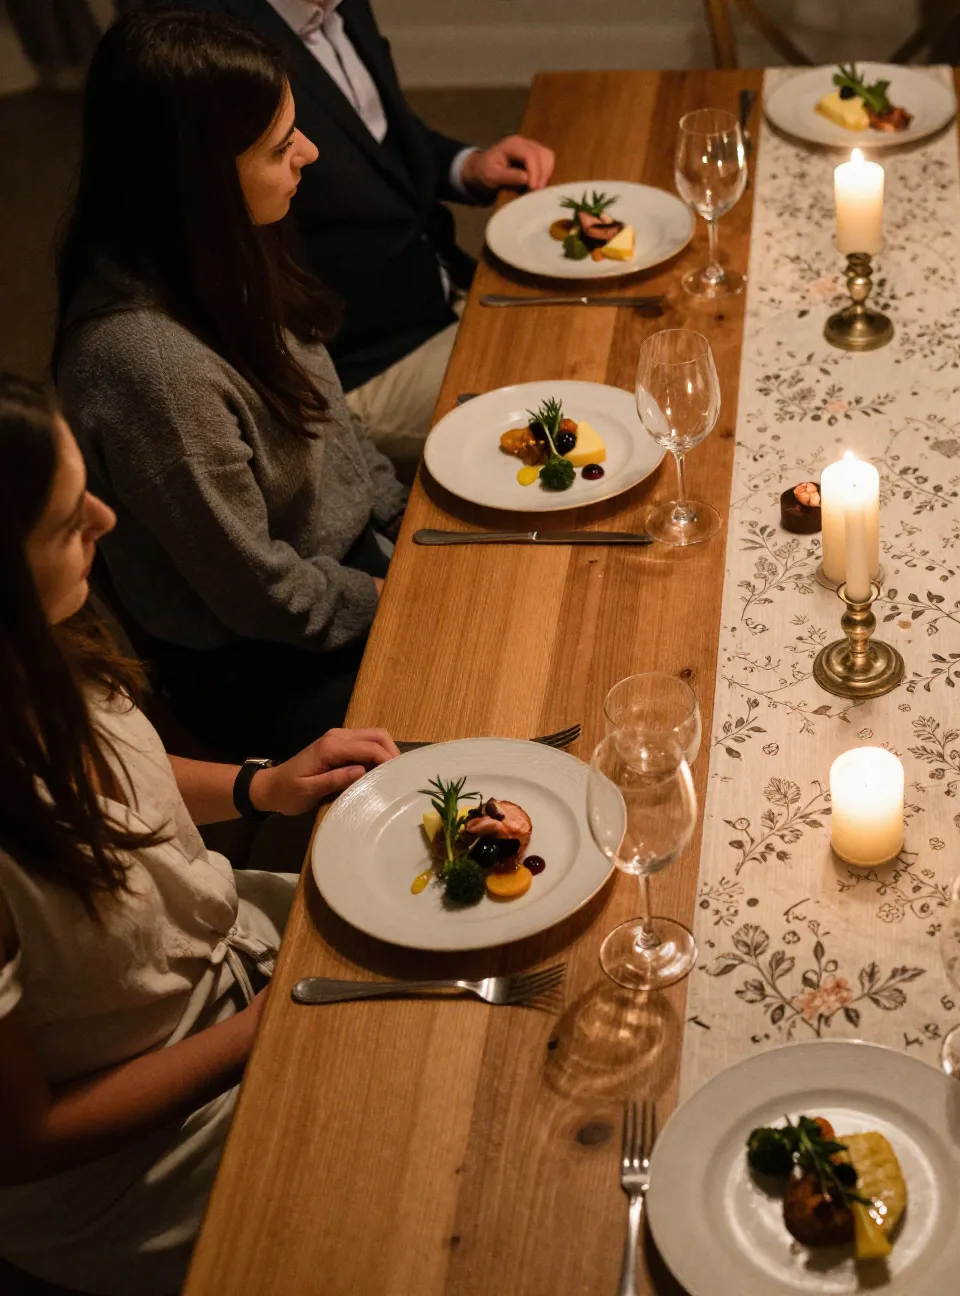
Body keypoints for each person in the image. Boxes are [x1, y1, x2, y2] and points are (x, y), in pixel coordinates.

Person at [0, 373, 400, 1295]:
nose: (105, 518)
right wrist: (265, 1030)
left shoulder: (37, 648)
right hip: (150, 1157)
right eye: (67, 521)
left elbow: (114, 784)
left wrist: (263, 786)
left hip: (243, 959)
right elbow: (22, 1141)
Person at [56, 6, 409, 760]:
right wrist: (389, 599)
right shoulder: (147, 366)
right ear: (202, 176)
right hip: (271, 665)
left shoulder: (229, 247)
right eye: (283, 145)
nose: (309, 152)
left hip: (350, 571)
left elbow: (333, 420)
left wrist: (409, 528)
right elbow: (256, 594)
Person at [176, 0, 556, 469]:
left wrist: (468, 167)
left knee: (589, 338)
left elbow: (378, 137)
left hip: (439, 284)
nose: (307, 151)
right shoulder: (216, 46)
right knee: (568, 403)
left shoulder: (340, 6)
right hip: (362, 360)